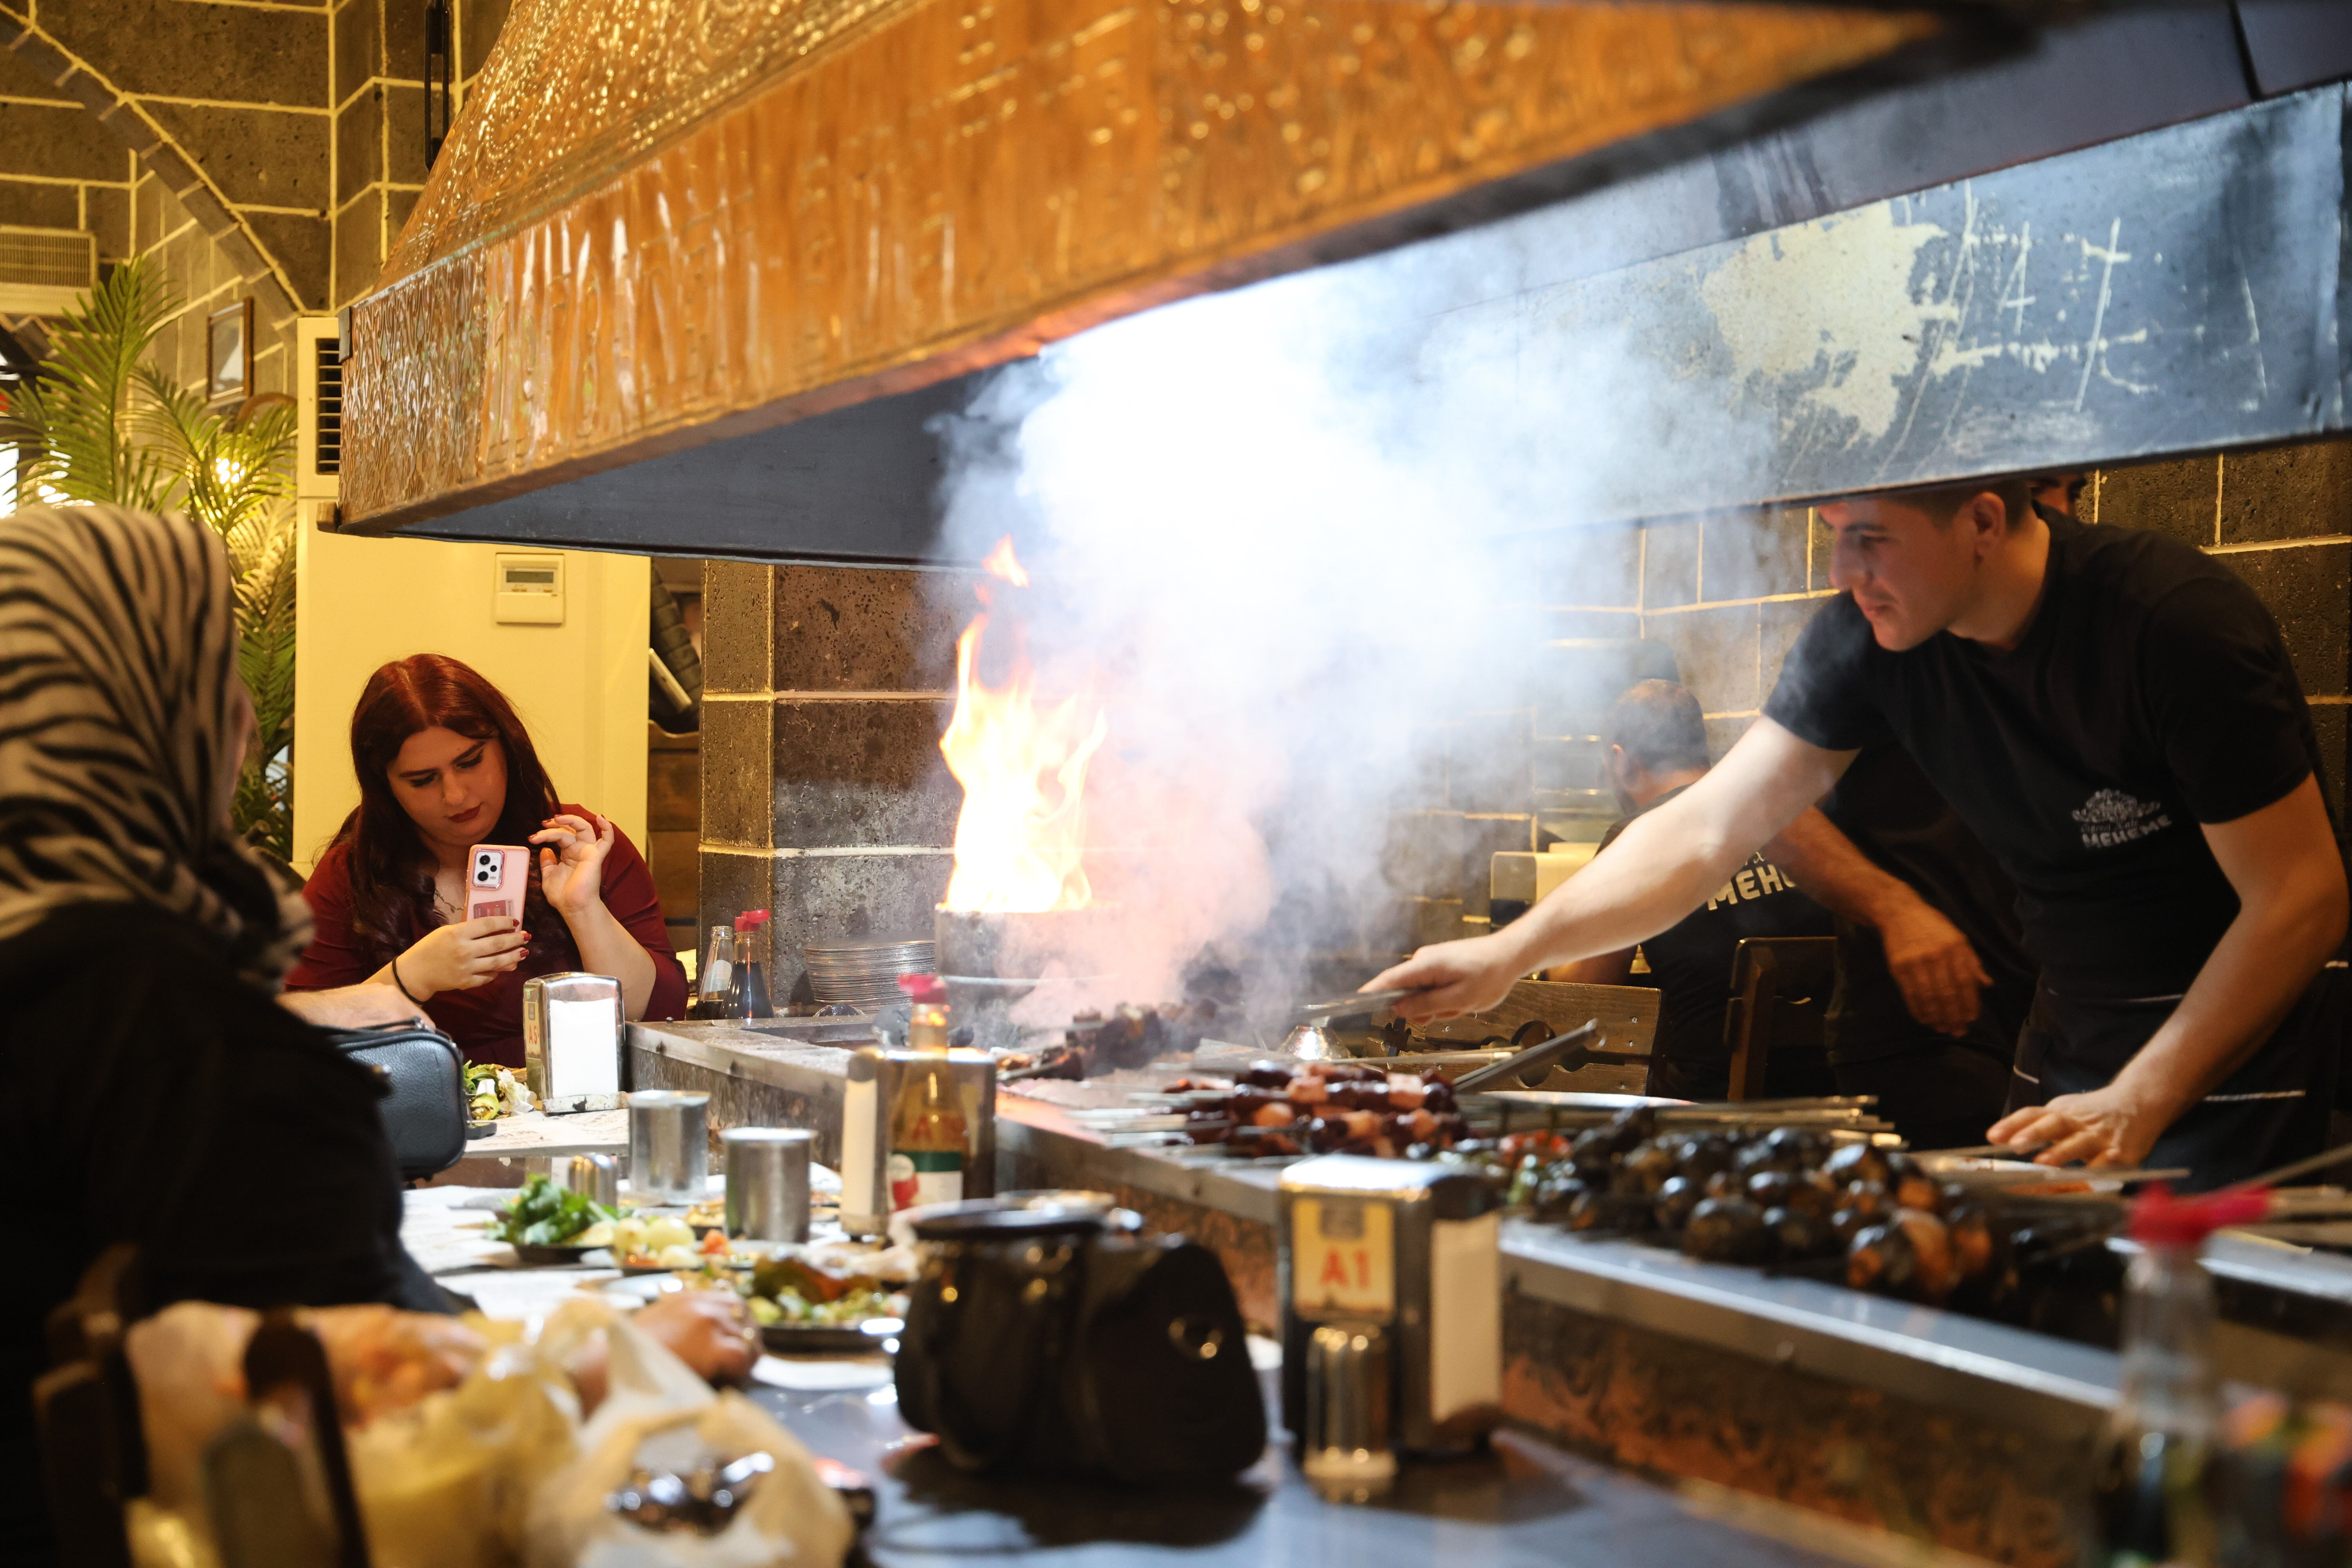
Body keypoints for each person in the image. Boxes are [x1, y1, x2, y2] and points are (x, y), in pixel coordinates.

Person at [1373, 478, 2346, 1187]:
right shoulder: (1868, 639)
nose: (1845, 571)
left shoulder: (2168, 622)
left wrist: (2144, 1094)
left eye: (1871, 538)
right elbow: (1706, 827)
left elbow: (2301, 896)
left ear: (1983, 520)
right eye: (1837, 535)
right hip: (2068, 1043)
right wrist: (1512, 951)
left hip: (2230, 1054)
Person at [0, 505, 443, 1566]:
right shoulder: (164, 1025)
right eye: (213, 676)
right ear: (136, 710)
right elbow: (371, 1397)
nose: (243, 717)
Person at [287, 655, 687, 1067]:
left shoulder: (576, 843)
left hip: (581, 1099)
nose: (456, 796)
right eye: (423, 780)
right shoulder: (352, 875)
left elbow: (659, 1017)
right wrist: (411, 977)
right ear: (385, 786)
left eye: (470, 762)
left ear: (507, 747)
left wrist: (583, 909)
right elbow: (290, 1045)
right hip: (432, 1104)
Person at [1548, 681, 1836, 1100]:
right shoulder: (1781, 808)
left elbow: (1580, 994)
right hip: (1832, 1087)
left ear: (1622, 762)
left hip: (1708, 1102)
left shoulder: (1639, 836)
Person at [1768, 742, 2038, 1150]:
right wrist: (1894, 908)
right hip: (1930, 1025)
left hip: (2056, 1011)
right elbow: (1771, 805)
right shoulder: (1861, 697)